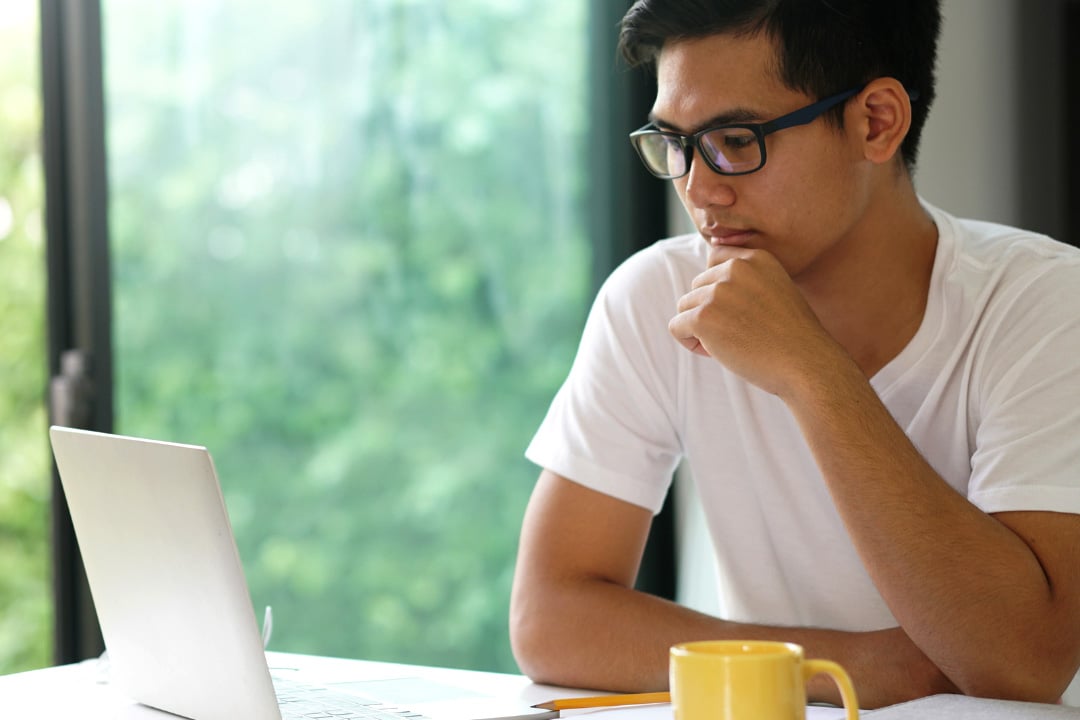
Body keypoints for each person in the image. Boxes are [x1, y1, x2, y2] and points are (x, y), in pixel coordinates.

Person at [509, 0, 1080, 709]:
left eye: (737, 140)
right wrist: (868, 668)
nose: (699, 187)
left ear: (877, 121)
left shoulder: (1046, 303)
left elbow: (1024, 664)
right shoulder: (658, 293)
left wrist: (812, 373)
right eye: (673, 142)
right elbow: (551, 619)